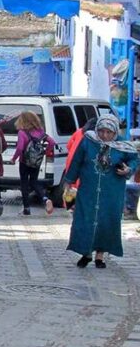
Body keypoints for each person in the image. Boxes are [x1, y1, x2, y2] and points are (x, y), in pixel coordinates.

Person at [64, 114, 138, 269]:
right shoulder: (88, 141)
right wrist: (69, 182)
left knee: (107, 221)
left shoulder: (122, 145)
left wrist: (128, 169)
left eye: (109, 132)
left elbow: (134, 158)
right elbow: (77, 161)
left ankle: (100, 256)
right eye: (102, 131)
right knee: (85, 220)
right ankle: (86, 253)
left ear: (115, 132)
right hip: (88, 190)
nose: (104, 135)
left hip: (112, 192)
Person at [10, 111, 55, 216]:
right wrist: (46, 152)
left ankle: (26, 208)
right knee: (34, 181)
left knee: (24, 184)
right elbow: (52, 142)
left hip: (24, 161)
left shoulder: (22, 132)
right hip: (36, 161)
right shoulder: (40, 131)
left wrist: (14, 158)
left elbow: (20, 148)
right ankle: (45, 199)